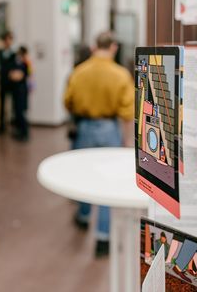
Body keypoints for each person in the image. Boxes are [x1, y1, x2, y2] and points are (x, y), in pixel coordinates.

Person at [63, 31, 134, 258]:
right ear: (113, 47)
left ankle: (83, 217)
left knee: (84, 176)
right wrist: (126, 138)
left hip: (84, 128)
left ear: (95, 46)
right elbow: (127, 112)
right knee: (107, 183)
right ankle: (103, 237)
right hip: (109, 129)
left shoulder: (79, 71)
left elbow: (68, 101)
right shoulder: (121, 75)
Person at [0, 30, 15, 135]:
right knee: (1, 105)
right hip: (3, 81)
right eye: (6, 39)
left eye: (9, 39)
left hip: (13, 83)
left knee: (15, 105)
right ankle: (1, 127)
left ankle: (15, 126)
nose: (7, 41)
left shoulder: (15, 53)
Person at [9, 45, 30, 142]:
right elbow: (11, 75)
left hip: (21, 91)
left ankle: (24, 133)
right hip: (17, 90)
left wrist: (15, 75)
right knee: (17, 112)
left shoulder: (25, 63)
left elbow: (19, 76)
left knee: (21, 112)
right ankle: (20, 132)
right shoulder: (18, 63)